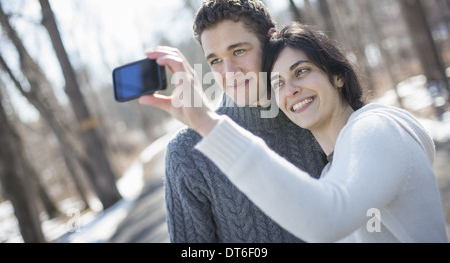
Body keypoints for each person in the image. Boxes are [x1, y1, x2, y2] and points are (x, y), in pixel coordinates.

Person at [140, 21, 448, 242]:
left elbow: (327, 219)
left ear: (337, 75)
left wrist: (207, 123)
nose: (292, 91)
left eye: (301, 71)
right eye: (278, 83)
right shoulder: (331, 170)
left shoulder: (377, 128)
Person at [140, 0, 327, 243]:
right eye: (216, 60)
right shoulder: (187, 152)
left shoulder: (314, 112)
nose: (229, 72)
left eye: (238, 51)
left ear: (270, 41)